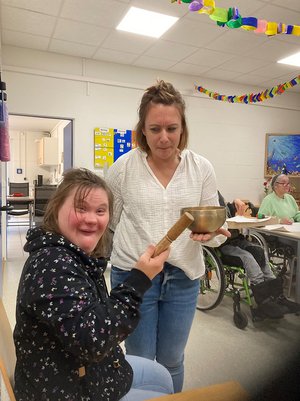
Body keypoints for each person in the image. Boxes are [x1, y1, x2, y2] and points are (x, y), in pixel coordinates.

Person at [105, 80, 230, 392]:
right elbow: (110, 222)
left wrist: (212, 235)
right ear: (142, 130)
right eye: (155, 128)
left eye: (171, 128)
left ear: (182, 128)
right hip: (134, 276)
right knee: (140, 357)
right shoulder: (123, 168)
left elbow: (212, 228)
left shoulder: (201, 168)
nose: (164, 138)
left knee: (172, 359)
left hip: (183, 276)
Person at [13, 168, 174, 401]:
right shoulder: (52, 264)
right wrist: (139, 279)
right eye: (81, 208)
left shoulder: (74, 255)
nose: (92, 219)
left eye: (101, 211)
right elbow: (93, 341)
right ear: (56, 208)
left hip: (86, 371)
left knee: (162, 376)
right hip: (62, 389)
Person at [218, 193, 285, 319]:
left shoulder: (219, 199)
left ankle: (276, 296)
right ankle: (263, 301)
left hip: (237, 240)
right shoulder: (206, 207)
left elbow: (231, 207)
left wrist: (236, 200)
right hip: (222, 246)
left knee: (259, 250)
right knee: (247, 257)